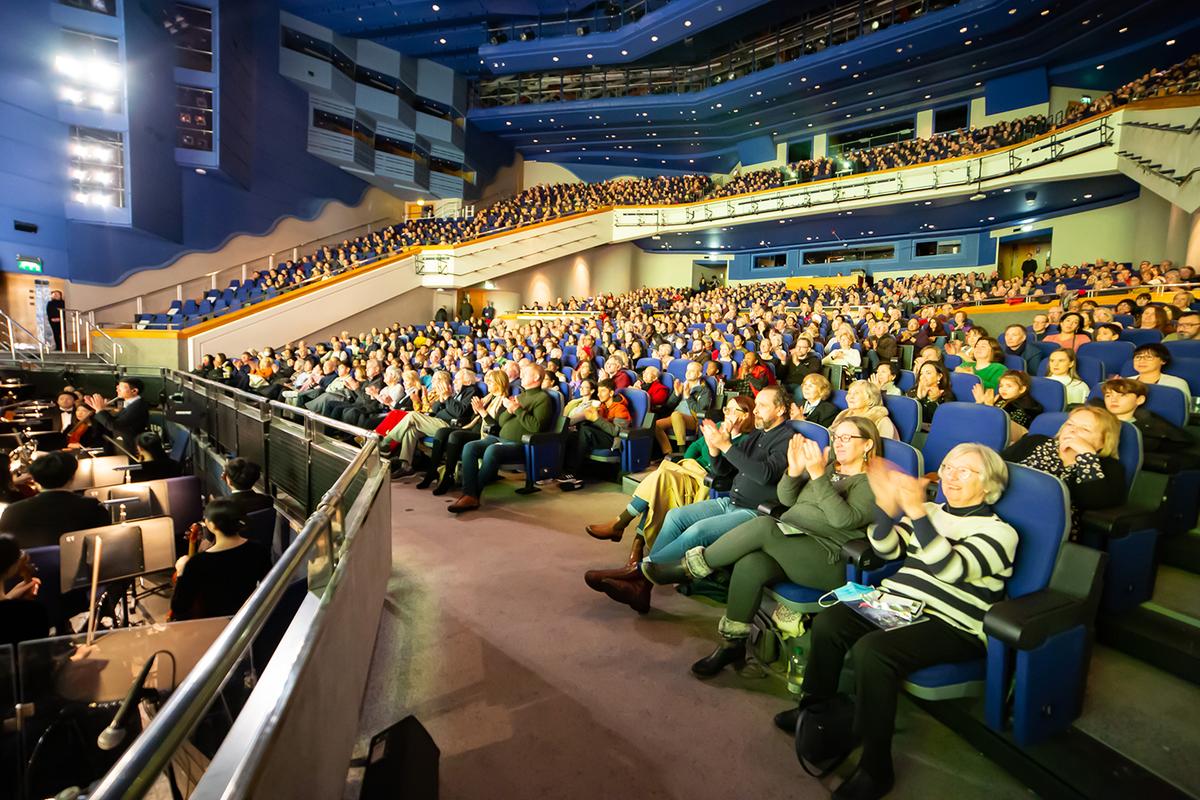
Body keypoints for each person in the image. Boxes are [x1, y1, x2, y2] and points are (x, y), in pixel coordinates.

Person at [782, 444, 1018, 800]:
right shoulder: (930, 511)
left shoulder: (1000, 532)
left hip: (951, 624)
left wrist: (915, 512)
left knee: (873, 651)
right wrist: (887, 512)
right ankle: (816, 713)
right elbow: (887, 550)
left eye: (964, 471)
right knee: (831, 622)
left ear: (989, 485)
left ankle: (875, 768)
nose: (951, 476)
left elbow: (950, 569)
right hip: (899, 604)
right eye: (948, 467)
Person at [636, 417, 881, 678]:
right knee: (751, 564)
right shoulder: (828, 467)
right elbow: (787, 499)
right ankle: (732, 646)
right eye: (836, 436)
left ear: (867, 445)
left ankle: (690, 568)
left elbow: (842, 520)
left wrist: (818, 476)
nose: (838, 443)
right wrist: (794, 471)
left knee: (765, 525)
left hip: (826, 558)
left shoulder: (871, 483)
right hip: (792, 540)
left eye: (847, 438)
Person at [594, 386, 792, 614]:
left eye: (762, 406)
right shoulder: (758, 434)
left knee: (697, 532)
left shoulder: (787, 438)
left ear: (780, 409)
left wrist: (726, 445)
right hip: (730, 502)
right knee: (675, 516)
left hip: (755, 512)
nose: (756, 411)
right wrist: (714, 449)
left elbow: (765, 474)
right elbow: (723, 471)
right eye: (756, 406)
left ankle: (638, 575)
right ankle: (643, 582)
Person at [583, 396, 755, 548]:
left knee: (661, 477)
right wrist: (686, 464)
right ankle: (634, 543)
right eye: (726, 409)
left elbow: (721, 469)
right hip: (689, 470)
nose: (727, 413)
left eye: (733, 410)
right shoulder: (717, 426)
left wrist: (720, 443)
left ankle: (621, 525)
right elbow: (695, 446)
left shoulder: (746, 441)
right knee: (658, 489)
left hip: (705, 479)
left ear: (746, 415)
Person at [1002, 405, 1126, 541]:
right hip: (1002, 510)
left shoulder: (1108, 466)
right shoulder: (1034, 442)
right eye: (1070, 424)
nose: (1072, 430)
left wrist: (1087, 456)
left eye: (1085, 429)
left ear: (1103, 441)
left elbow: (1093, 502)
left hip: (1045, 529)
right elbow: (997, 467)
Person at [448, 364, 555, 513]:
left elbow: (536, 427)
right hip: (499, 438)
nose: (521, 376)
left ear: (536, 377)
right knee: (470, 447)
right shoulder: (519, 396)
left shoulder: (542, 398)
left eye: (525, 373)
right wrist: (510, 409)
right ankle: (469, 494)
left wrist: (517, 409)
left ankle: (471, 495)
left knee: (492, 451)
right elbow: (502, 421)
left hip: (520, 445)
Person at [170, 498, 271, 621]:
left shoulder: (197, 562)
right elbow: (268, 586)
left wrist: (181, 572)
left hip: (213, 624)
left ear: (212, 525)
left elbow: (179, 607)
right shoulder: (258, 549)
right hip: (246, 618)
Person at [419, 369, 509, 494]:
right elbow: (474, 418)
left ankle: (448, 476)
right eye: (487, 381)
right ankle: (431, 472)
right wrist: (476, 411)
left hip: (484, 434)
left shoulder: (504, 401)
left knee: (455, 435)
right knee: (441, 432)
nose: (487, 384)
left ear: (499, 384)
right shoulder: (488, 398)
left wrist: (481, 411)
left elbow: (495, 426)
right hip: (472, 427)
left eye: (490, 382)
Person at [0, 451, 109, 548]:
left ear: (35, 480)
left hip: (32, 564)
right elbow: (105, 541)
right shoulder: (92, 507)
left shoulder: (11, 511)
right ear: (72, 477)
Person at [385, 369, 478, 477]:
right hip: (438, 421)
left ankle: (386, 442)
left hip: (450, 426)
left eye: (457, 379)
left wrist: (447, 397)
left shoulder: (471, 391)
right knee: (411, 431)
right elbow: (434, 410)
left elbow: (459, 412)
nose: (454, 381)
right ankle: (406, 466)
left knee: (412, 415)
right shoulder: (457, 392)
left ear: (467, 382)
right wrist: (442, 399)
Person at [557, 379, 632, 490]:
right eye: (598, 391)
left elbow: (618, 431)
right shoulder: (601, 406)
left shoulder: (620, 408)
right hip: (601, 435)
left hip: (613, 440)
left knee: (586, 432)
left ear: (611, 393)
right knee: (574, 434)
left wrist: (596, 419)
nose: (599, 394)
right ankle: (563, 470)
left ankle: (573, 472)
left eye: (603, 391)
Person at [1095, 378, 1192, 455]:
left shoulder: (1146, 430)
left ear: (1139, 400)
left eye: (1122, 395)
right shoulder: (1095, 419)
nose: (1113, 400)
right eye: (1108, 396)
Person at [653, 361, 713, 457]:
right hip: (675, 417)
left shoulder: (704, 390)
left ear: (699, 374)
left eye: (692, 371)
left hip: (693, 419)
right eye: (687, 370)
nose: (688, 373)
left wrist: (688, 397)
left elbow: (700, 410)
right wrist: (676, 394)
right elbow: (669, 406)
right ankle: (668, 452)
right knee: (656, 425)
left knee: (676, 415)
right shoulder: (682, 385)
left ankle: (682, 449)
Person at [0, 535, 49, 647]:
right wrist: (79, 655)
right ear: (11, 568)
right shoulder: (32, 613)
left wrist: (8, 598)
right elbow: (40, 656)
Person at [972, 370, 1042, 442]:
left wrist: (990, 406)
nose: (1003, 389)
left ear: (1022, 389)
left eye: (1009, 386)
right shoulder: (1001, 400)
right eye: (1001, 386)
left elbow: (1005, 429)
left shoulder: (1024, 408)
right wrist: (980, 403)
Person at [85, 377, 150, 454]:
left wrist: (100, 410)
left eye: (121, 387)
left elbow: (115, 425)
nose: (117, 390)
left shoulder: (138, 406)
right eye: (118, 387)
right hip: (122, 446)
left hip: (133, 449)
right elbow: (113, 421)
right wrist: (99, 409)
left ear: (134, 391)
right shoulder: (131, 404)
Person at [1126, 343, 1192, 406]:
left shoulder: (1177, 384)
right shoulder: (1126, 382)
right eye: (1138, 357)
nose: (1141, 361)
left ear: (1163, 361)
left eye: (1149, 357)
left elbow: (1183, 409)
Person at [832, 380, 898, 440]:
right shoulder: (844, 414)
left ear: (870, 399)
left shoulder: (882, 421)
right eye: (849, 393)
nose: (850, 397)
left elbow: (885, 447)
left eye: (856, 393)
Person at [907, 361, 954, 425]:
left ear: (939, 376)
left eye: (928, 373)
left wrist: (934, 401)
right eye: (921, 373)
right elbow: (908, 416)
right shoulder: (913, 391)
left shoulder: (947, 396)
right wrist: (918, 398)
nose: (923, 377)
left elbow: (943, 421)